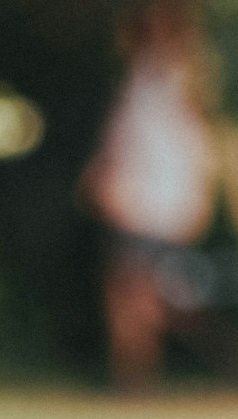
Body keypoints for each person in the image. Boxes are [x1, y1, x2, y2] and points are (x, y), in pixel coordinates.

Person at [81, 0, 218, 388]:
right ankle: (135, 377)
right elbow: (124, 136)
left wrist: (199, 196)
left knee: (150, 297)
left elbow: (199, 145)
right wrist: (103, 171)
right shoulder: (138, 76)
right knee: (129, 293)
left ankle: (222, 356)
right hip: (132, 203)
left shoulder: (186, 78)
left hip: (164, 204)